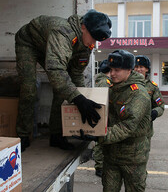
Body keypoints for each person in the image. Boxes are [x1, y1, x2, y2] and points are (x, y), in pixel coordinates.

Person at [15, 9, 112, 152]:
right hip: (29, 43)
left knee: (63, 92)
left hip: (50, 46)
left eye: (97, 40)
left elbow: (77, 74)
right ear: (83, 27)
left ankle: (56, 136)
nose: (93, 43)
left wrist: (82, 99)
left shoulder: (86, 44)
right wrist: (78, 99)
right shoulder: (63, 33)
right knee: (29, 88)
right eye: (93, 37)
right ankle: (22, 135)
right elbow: (56, 70)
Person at [75, 50, 152, 192]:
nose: (112, 74)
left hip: (132, 158)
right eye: (111, 70)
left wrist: (99, 135)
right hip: (111, 155)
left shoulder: (138, 93)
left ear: (129, 70)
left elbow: (127, 126)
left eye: (117, 70)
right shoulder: (113, 88)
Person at [134, 55, 165, 142]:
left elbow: (160, 106)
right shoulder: (127, 84)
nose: (138, 69)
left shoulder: (152, 87)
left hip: (145, 130)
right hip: (129, 130)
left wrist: (155, 112)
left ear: (147, 69)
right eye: (136, 67)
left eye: (141, 67)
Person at [93, 59, 112, 177]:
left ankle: (100, 165)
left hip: (102, 114)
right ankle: (99, 167)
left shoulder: (102, 80)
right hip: (104, 115)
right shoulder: (105, 82)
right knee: (101, 142)